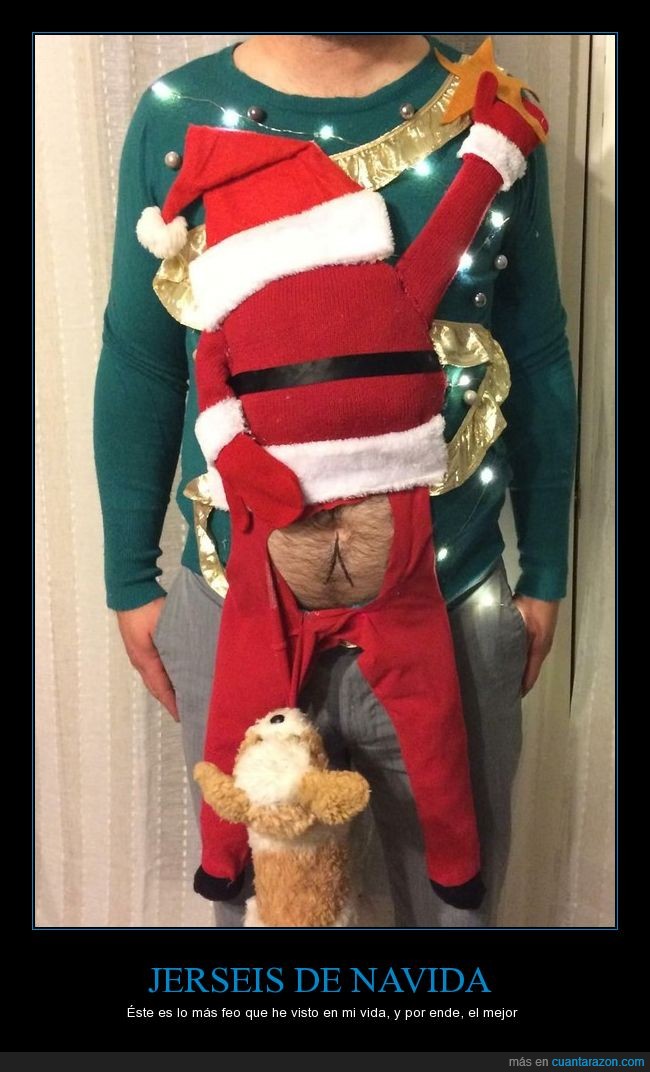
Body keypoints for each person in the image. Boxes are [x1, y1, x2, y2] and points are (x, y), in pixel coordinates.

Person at [94, 34, 577, 927]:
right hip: (233, 604)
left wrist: (546, 569)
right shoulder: (178, 119)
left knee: (456, 917)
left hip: (451, 604)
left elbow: (538, 349)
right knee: (265, 918)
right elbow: (144, 363)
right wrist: (129, 577)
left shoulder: (483, 107)